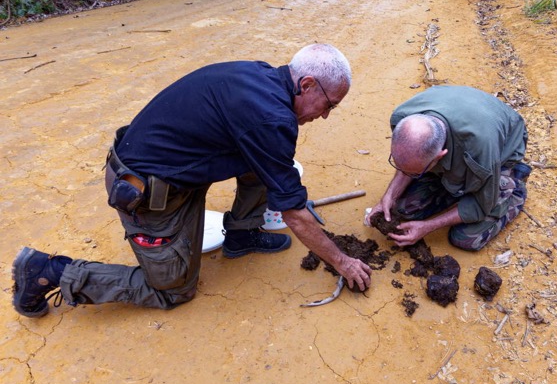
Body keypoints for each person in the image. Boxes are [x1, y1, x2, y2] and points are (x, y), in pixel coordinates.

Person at [12, 43, 372, 318]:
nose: (325, 116)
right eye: (330, 105)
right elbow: (293, 212)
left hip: (173, 167)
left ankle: (242, 235)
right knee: (173, 290)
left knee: (269, 164)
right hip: (146, 193)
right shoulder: (270, 118)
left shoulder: (262, 78)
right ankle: (49, 272)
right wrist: (342, 261)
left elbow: (276, 171)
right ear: (306, 84)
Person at [366, 85, 532, 251]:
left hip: (502, 148)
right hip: (459, 118)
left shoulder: (478, 152)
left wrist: (428, 226)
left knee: (465, 239)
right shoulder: (402, 119)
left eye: (415, 172)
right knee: (403, 209)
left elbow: (481, 206)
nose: (407, 173)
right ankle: (453, 185)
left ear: (440, 156)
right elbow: (407, 160)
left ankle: (513, 189)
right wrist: (389, 195)